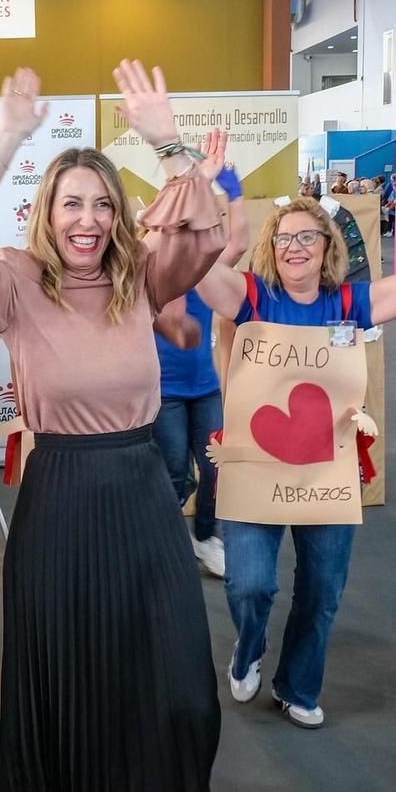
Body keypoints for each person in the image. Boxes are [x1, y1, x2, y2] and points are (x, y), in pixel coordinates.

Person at [0, 61, 224, 792]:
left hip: (141, 495)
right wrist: (10, 135)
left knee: (179, 697)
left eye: (101, 203)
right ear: (45, 214)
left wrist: (168, 136)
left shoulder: (142, 279)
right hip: (58, 503)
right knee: (76, 702)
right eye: (71, 204)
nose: (89, 220)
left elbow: (203, 231)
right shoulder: (17, 281)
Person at [193, 197, 396, 729]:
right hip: (255, 465)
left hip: (327, 472)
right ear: (271, 246)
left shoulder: (350, 302)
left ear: (327, 246)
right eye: (284, 238)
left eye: (308, 237)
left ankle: (298, 686)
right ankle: (249, 645)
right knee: (249, 584)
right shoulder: (253, 296)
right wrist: (200, 188)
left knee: (322, 587)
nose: (295, 247)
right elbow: (200, 275)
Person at [152, 162, 249, 579]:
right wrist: (198, 183)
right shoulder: (152, 265)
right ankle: (162, 545)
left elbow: (240, 240)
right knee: (175, 475)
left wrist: (235, 192)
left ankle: (206, 538)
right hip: (164, 392)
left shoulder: (207, 269)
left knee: (216, 469)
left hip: (204, 388)